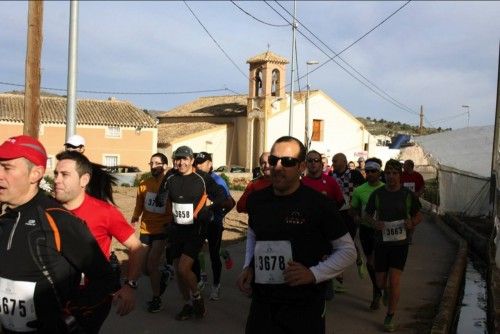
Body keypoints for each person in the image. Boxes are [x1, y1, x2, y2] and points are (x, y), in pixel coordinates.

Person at [237, 136, 356, 334]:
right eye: (274, 160)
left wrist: (313, 274)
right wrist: (247, 266)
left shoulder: (319, 204)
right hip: (263, 303)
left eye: (288, 162)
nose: (278, 167)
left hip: (304, 305)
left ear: (301, 167)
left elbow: (347, 251)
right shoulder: (257, 200)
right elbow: (253, 234)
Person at [0, 135, 115, 333]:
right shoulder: (5, 218)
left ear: (35, 174)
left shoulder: (59, 220)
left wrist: (71, 317)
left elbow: (105, 279)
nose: (0, 174)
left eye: (7, 168)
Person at [53, 150, 145, 331]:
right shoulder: (47, 209)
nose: (56, 179)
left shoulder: (105, 212)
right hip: (53, 295)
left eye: (64, 175)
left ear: (84, 180)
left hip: (91, 299)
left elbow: (136, 247)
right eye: (56, 174)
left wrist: (130, 285)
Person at [157, 146, 230, 321]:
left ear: (191, 161)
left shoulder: (202, 178)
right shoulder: (170, 177)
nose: (180, 163)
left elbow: (222, 197)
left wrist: (210, 210)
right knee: (178, 269)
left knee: (184, 267)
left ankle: (197, 299)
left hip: (196, 229)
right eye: (177, 159)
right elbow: (161, 196)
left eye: (184, 159)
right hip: (176, 229)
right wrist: (162, 199)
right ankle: (187, 304)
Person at [365, 159, 422, 332]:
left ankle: (390, 316)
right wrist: (374, 223)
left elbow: (419, 216)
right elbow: (367, 215)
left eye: (395, 173)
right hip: (381, 243)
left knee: (395, 280)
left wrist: (411, 222)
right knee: (381, 282)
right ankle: (384, 292)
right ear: (385, 174)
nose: (391, 177)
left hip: (400, 244)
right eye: (388, 173)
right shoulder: (378, 194)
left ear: (400, 175)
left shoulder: (407, 195)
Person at [302, 150, 345, 301]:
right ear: (305, 164)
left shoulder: (331, 182)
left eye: (316, 160)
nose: (313, 163)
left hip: (325, 232)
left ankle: (326, 288)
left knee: (326, 259)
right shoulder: (300, 183)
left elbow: (340, 202)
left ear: (321, 163)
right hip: (305, 230)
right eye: (310, 160)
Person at [131, 153, 171, 313]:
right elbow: (139, 204)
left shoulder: (169, 184)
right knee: (144, 268)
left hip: (162, 228)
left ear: (165, 166)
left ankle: (157, 299)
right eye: (151, 163)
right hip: (146, 228)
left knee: (152, 263)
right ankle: (165, 274)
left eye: (157, 163)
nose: (153, 166)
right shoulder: (143, 184)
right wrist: (135, 216)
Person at [194, 152, 236, 301]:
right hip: (198, 223)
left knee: (213, 253)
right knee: (195, 252)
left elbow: (230, 202)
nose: (199, 166)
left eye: (202, 163)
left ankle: (216, 285)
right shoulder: (195, 178)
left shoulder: (218, 181)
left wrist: (217, 213)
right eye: (197, 163)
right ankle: (201, 278)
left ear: (210, 164)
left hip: (214, 223)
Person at [350, 158, 385, 310]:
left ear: (379, 172)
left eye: (373, 171)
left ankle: (380, 289)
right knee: (371, 263)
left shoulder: (386, 189)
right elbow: (353, 209)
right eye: (367, 171)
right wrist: (356, 217)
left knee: (382, 264)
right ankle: (377, 291)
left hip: (383, 231)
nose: (370, 174)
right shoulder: (359, 190)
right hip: (366, 230)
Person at [331, 152, 366, 291]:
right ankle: (339, 278)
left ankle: (358, 258)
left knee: (348, 242)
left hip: (350, 214)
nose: (333, 163)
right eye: (333, 161)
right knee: (337, 244)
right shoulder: (331, 176)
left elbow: (363, 192)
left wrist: (358, 211)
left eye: (335, 160)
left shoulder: (354, 175)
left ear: (344, 162)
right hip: (335, 214)